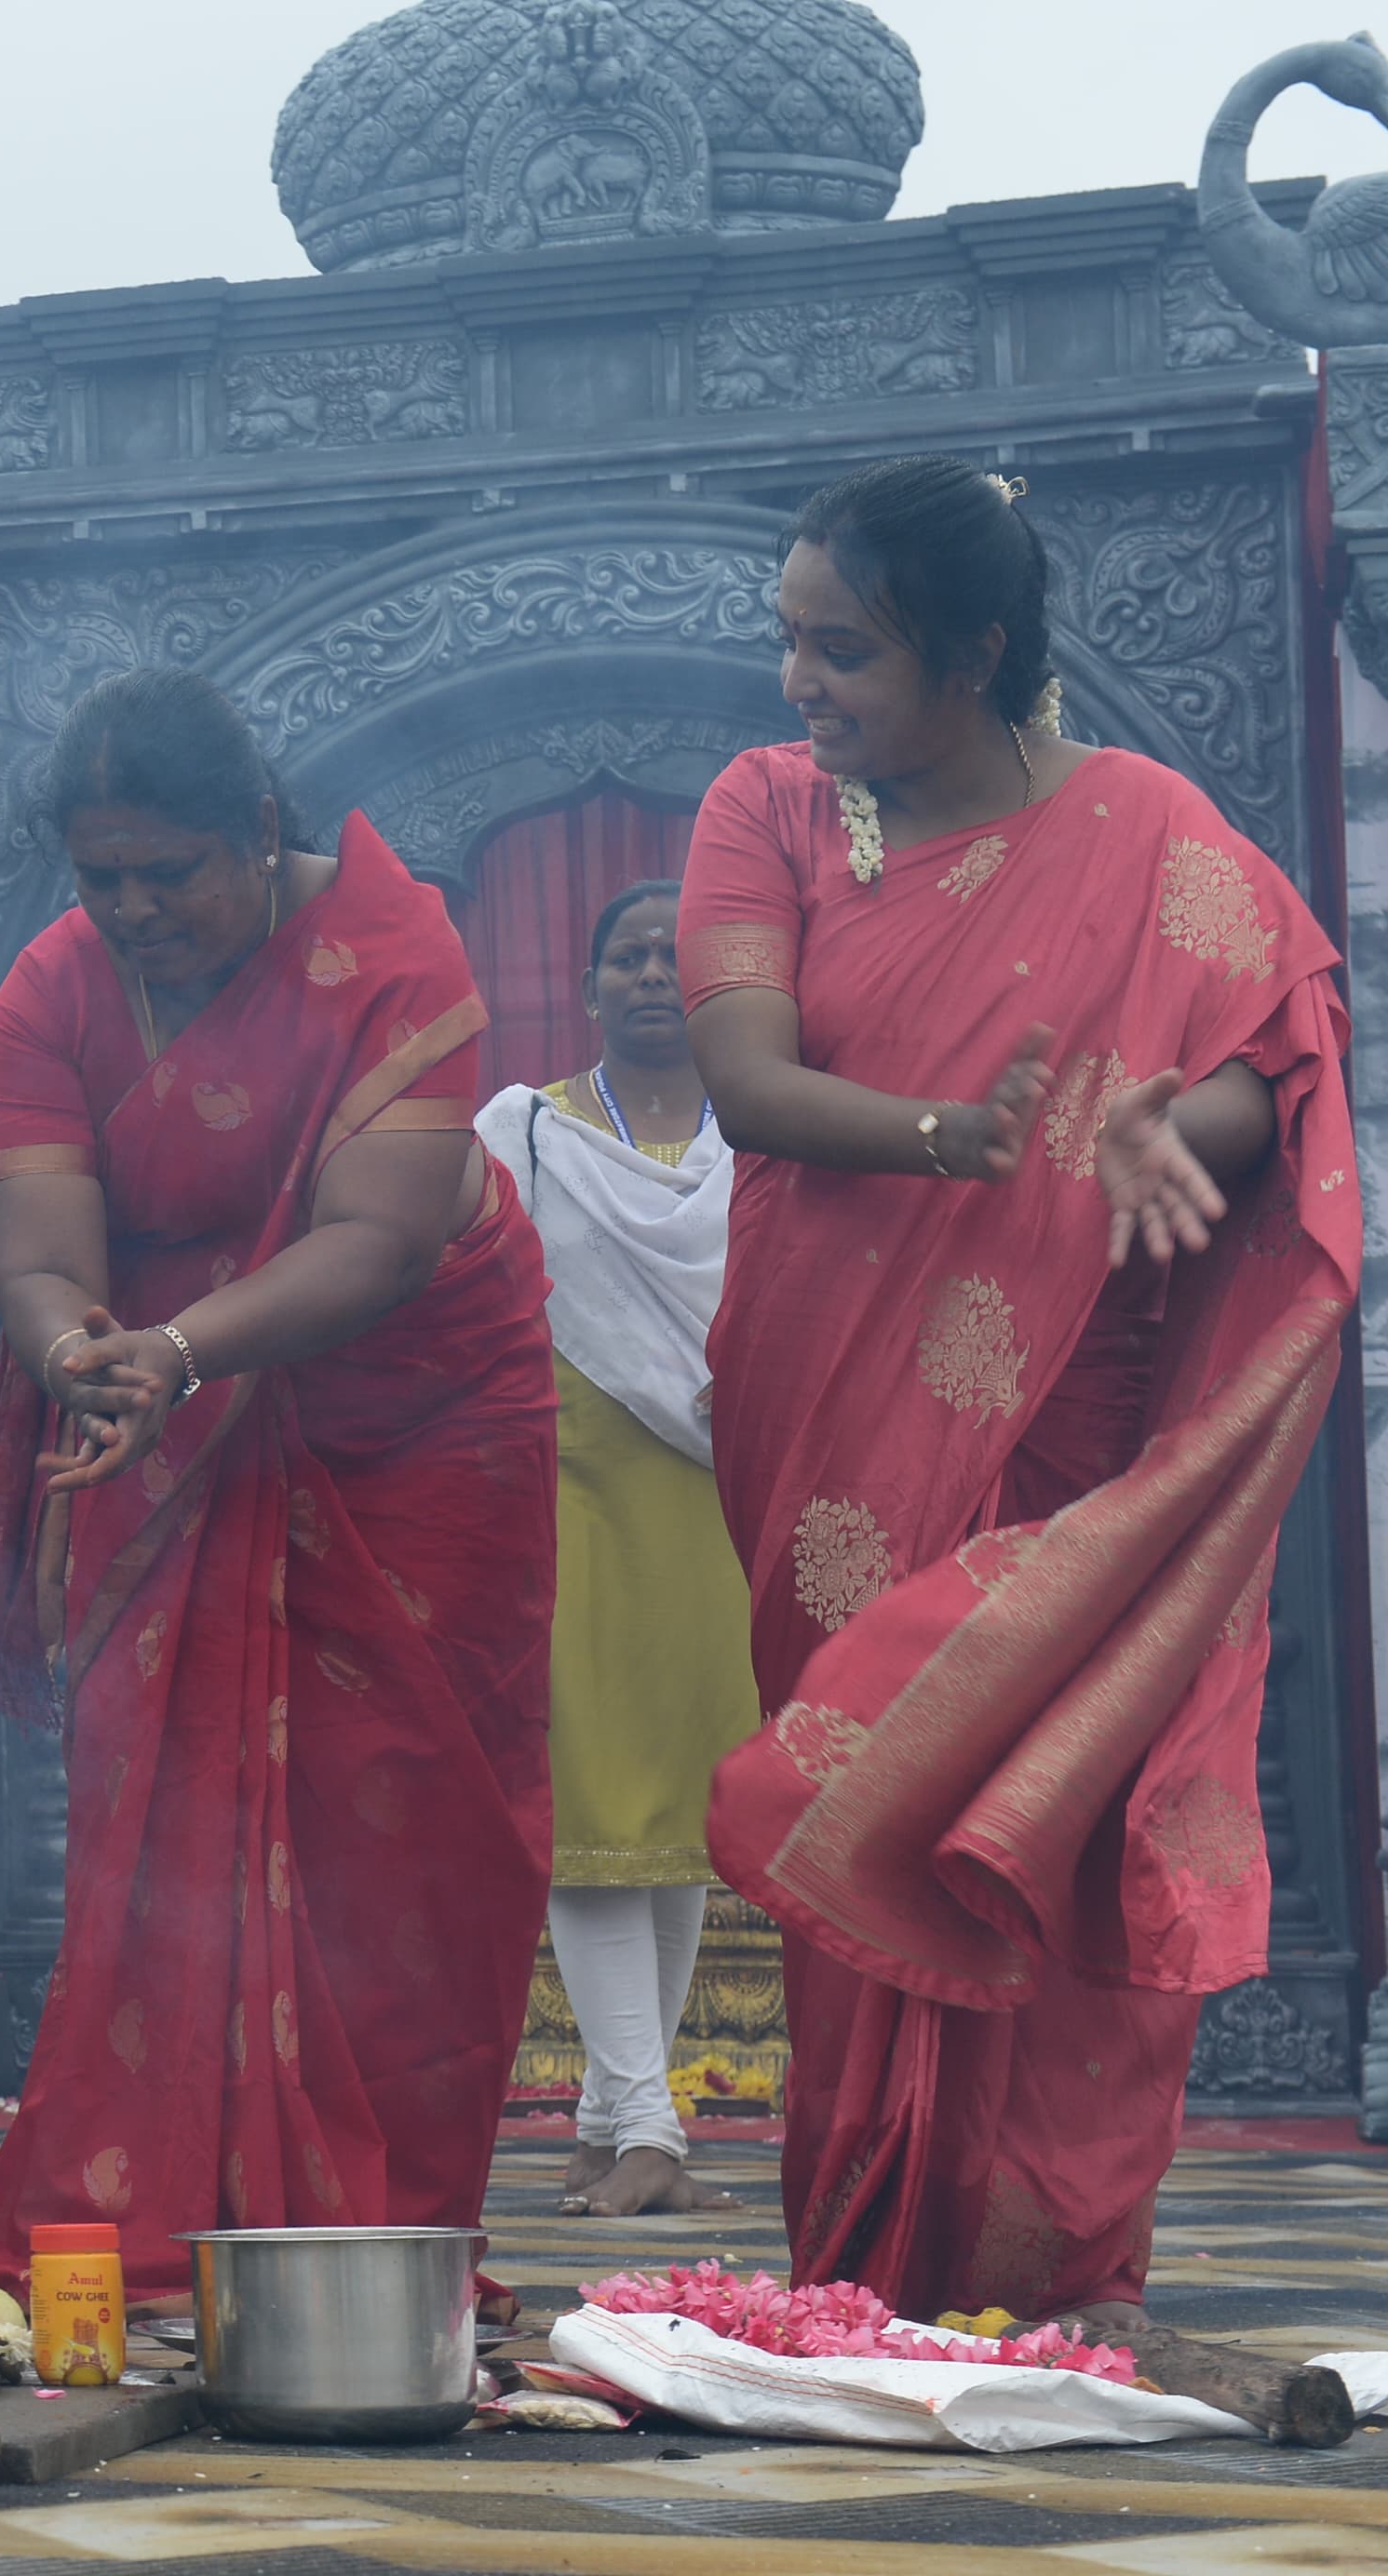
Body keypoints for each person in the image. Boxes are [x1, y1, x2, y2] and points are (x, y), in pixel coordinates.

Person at [683, 458, 1354, 2326]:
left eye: (851, 651)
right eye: (792, 642)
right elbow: (744, 1077)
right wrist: (950, 1141)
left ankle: (1067, 2267)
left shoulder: (1147, 823)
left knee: (1062, 1818)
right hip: (831, 1407)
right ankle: (866, 2262)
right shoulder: (767, 813)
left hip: (1078, 1405)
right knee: (869, 1792)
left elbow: (1275, 1051)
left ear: (974, 654)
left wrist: (1168, 1124)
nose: (803, 685)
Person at [0, 667, 556, 2302]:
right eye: (102, 877)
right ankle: (153, 2219)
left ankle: (392, 2232)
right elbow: (41, 1252)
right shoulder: (51, 991)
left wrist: (179, 1352)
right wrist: (85, 1354)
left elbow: (384, 1232)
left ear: (261, 830)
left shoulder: (389, 945)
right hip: (162, 1406)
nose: (133, 909)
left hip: (418, 1415)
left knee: (415, 1822)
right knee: (162, 1818)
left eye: (170, 871)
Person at [473, 881, 760, 2220]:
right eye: (627, 958)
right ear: (588, 987)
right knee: (596, 1804)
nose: (652, 976)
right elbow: (459, 1296)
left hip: (720, 1491)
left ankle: (607, 2122)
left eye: (675, 958)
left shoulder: (763, 1140)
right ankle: (650, 2124)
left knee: (681, 1808)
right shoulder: (524, 1132)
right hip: (567, 1488)